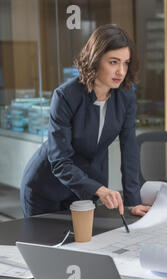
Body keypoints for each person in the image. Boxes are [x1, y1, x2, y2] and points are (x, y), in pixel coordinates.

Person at [20, 24, 150, 218]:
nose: (121, 72)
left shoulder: (126, 97)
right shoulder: (65, 96)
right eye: (114, 62)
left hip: (86, 192)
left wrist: (133, 201)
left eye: (125, 63)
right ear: (95, 59)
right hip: (46, 189)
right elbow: (60, 161)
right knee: (49, 246)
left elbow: (129, 149)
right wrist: (99, 189)